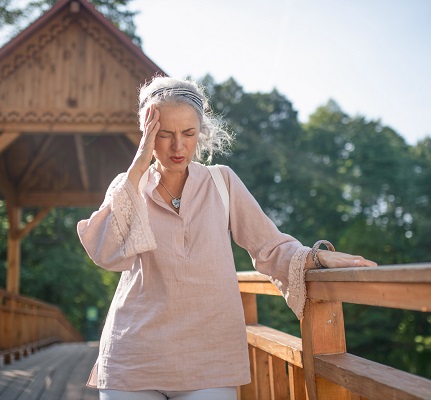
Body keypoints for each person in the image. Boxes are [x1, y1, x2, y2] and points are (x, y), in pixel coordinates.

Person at [77, 76, 377, 400]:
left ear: (200, 132)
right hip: (134, 354)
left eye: (188, 133)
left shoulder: (223, 182)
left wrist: (315, 258)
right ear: (147, 134)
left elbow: (269, 246)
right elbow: (105, 253)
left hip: (210, 354)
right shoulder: (128, 187)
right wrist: (138, 166)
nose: (178, 146)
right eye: (164, 135)